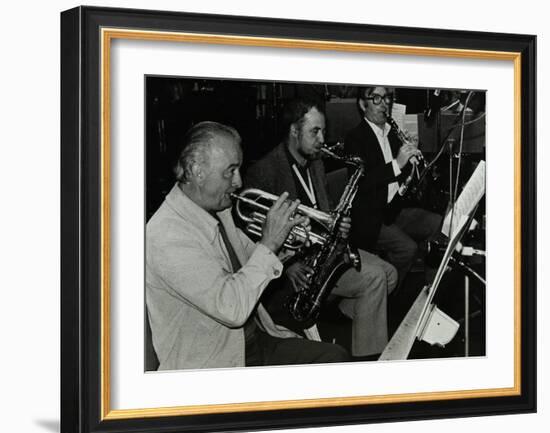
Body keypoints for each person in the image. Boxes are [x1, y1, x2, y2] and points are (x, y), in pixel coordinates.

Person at [146, 121, 349, 371]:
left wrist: (287, 243)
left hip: (251, 341)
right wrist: (269, 242)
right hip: (213, 363)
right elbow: (232, 308)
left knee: (335, 358)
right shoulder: (168, 234)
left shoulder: (217, 211)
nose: (238, 181)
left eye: (239, 169)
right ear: (197, 171)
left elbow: (252, 260)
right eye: (229, 171)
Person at [244, 99, 398, 358]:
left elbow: (322, 211)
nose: (322, 139)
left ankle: (336, 313)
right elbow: (249, 234)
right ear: (294, 131)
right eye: (314, 131)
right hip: (297, 265)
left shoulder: (315, 162)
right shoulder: (265, 171)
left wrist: (337, 223)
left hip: (324, 250)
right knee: (374, 279)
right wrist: (288, 265)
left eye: (323, 131)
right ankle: (368, 360)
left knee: (390, 273)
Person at [344, 86, 442, 286]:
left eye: (387, 98)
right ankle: (385, 289)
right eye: (377, 98)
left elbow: (402, 178)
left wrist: (412, 157)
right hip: (370, 217)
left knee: (438, 224)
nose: (385, 103)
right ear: (363, 105)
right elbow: (363, 182)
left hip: (394, 210)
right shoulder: (355, 138)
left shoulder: (392, 133)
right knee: (407, 249)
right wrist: (397, 163)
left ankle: (429, 289)